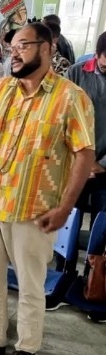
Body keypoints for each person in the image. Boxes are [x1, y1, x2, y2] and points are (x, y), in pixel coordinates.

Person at [0, 23, 96, 355]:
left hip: (35, 209)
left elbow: (83, 155)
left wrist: (65, 207)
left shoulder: (71, 97)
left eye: (24, 45)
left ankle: (26, 349)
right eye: (11, 46)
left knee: (31, 285)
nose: (14, 52)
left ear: (47, 49)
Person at [68, 31, 106, 230]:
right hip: (75, 162)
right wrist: (78, 159)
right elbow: (62, 117)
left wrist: (101, 164)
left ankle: (95, 262)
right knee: (70, 221)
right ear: (96, 55)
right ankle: (64, 262)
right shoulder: (75, 73)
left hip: (104, 166)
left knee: (101, 228)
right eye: (104, 65)